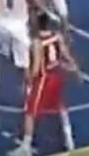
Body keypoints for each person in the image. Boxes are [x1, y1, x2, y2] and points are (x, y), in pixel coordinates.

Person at [8, 13, 81, 156]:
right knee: (60, 107)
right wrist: (76, 70)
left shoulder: (37, 42)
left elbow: (36, 67)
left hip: (44, 79)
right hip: (57, 77)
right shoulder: (57, 36)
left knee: (30, 111)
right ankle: (69, 140)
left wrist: (27, 81)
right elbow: (66, 54)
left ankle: (26, 146)